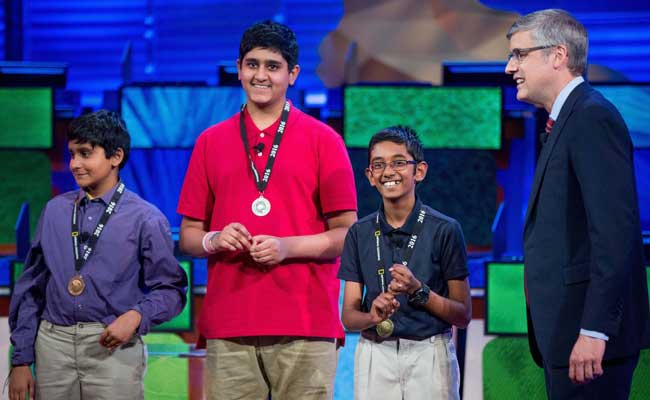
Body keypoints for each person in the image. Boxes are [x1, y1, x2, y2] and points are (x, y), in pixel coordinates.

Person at [177, 20, 357, 400]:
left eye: (273, 66)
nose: (261, 75)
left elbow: (346, 233)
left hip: (306, 323)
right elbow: (190, 235)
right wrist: (214, 238)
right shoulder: (210, 142)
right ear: (239, 68)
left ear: (292, 74)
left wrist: (286, 247)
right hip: (230, 322)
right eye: (252, 64)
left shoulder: (325, 141)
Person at [506, 9, 650, 399]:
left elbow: (615, 233)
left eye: (519, 55)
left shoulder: (591, 117)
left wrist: (594, 329)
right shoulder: (565, 120)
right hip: (566, 335)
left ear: (558, 55)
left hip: (588, 341)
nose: (509, 67)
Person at [7, 110, 188, 400]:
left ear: (116, 156)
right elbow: (31, 290)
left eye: (85, 154)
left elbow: (172, 290)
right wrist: (20, 359)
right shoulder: (55, 211)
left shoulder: (146, 219)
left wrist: (136, 315)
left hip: (112, 346)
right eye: (72, 154)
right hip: (52, 345)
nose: (74, 164)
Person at [338, 125, 471, 400]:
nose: (388, 172)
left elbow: (463, 314)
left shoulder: (445, 229)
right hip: (375, 353)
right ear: (370, 176)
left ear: (419, 171)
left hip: (429, 352)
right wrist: (371, 317)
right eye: (379, 165)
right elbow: (349, 318)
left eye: (399, 162)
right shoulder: (359, 233)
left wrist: (418, 290)